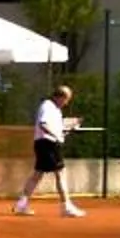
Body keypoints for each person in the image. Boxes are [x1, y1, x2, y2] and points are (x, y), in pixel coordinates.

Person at [15, 82, 84, 217]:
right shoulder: (48, 106)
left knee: (37, 175)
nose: (66, 103)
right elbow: (43, 124)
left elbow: (53, 125)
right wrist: (56, 135)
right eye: (66, 100)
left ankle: (21, 205)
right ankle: (66, 207)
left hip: (44, 144)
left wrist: (71, 125)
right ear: (60, 97)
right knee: (61, 173)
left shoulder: (54, 109)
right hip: (48, 144)